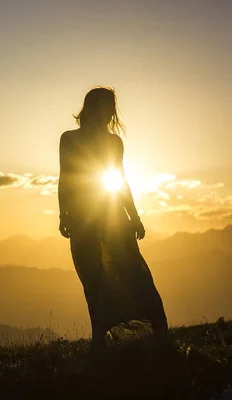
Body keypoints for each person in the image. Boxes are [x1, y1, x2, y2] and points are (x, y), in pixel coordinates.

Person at [58, 87, 168, 351]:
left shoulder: (114, 143)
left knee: (130, 271)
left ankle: (153, 328)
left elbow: (120, 181)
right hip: (85, 217)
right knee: (93, 276)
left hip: (110, 216)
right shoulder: (69, 139)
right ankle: (101, 335)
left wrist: (135, 216)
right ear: (92, 108)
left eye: (111, 107)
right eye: (105, 106)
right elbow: (65, 177)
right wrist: (64, 213)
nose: (109, 112)